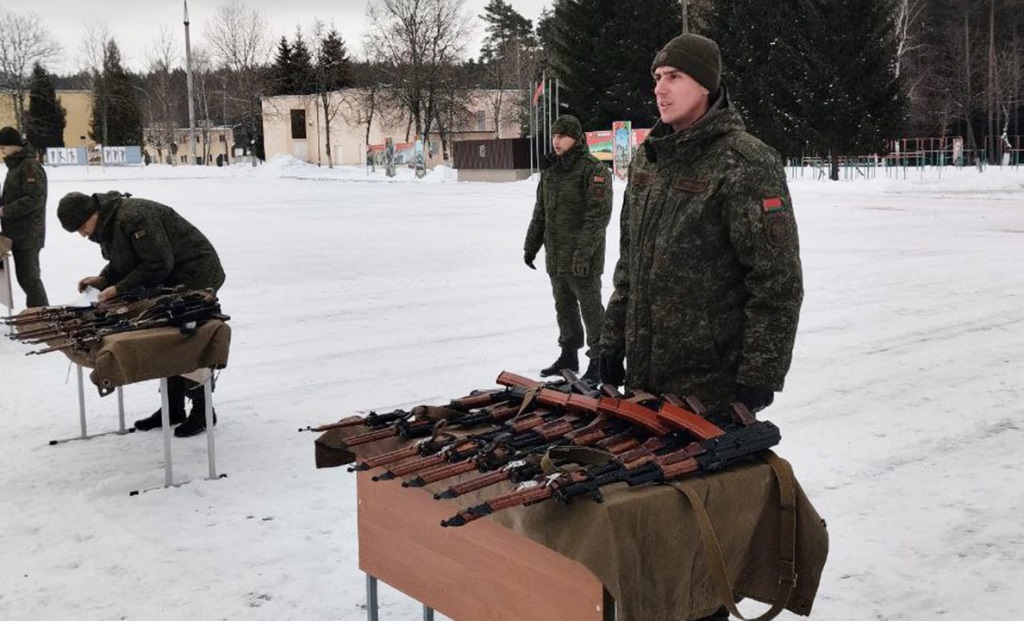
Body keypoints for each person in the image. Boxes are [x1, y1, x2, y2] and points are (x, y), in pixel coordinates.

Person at [601, 34, 803, 436]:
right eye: (657, 77)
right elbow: (631, 265)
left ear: (706, 84)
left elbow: (776, 279)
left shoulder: (745, 162)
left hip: (711, 389)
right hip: (643, 382)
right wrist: (611, 343)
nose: (660, 89)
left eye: (674, 76)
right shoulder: (648, 160)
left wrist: (760, 372)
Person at [57, 191, 226, 438]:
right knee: (165, 339)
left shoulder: (134, 216)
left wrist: (120, 289)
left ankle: (202, 410)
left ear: (93, 213)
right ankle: (173, 407)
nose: (83, 234)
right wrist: (104, 279)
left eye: (82, 227)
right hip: (172, 278)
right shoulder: (109, 224)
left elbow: (157, 264)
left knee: (187, 338)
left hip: (196, 274)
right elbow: (125, 261)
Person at [524, 115, 613, 382]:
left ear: (576, 138)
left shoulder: (593, 169)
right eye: (554, 136)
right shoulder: (551, 171)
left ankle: (599, 359)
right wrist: (531, 246)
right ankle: (568, 354)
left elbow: (598, 216)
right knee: (564, 307)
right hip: (556, 254)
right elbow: (540, 212)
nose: (556, 141)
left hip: (583, 256)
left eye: (562, 136)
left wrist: (583, 253)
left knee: (590, 309)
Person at [0, 126, 49, 308]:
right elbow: (12, 195)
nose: (2, 151)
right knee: (25, 278)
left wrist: (6, 210)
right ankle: (37, 312)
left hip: (28, 234)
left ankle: (41, 313)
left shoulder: (29, 166)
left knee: (30, 279)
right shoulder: (15, 166)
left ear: (14, 145)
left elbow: (34, 198)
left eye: (3, 147)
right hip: (16, 232)